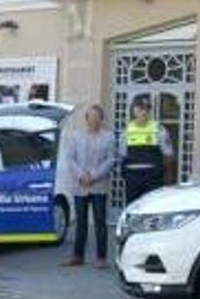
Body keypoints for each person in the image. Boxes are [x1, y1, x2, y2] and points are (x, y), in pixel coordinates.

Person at [62, 105, 115, 269]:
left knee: (100, 223)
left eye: (97, 117)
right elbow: (70, 159)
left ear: (101, 119)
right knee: (81, 223)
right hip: (80, 186)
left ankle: (101, 258)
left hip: (98, 185)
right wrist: (81, 175)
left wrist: (93, 176)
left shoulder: (109, 137)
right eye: (90, 117)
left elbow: (111, 160)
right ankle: (77, 256)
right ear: (86, 119)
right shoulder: (76, 136)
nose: (93, 120)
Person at [119, 96, 174, 204]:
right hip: (133, 177)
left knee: (152, 208)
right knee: (133, 209)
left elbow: (168, 156)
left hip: (153, 178)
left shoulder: (159, 129)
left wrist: (166, 177)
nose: (144, 112)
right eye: (140, 108)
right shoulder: (126, 130)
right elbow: (122, 156)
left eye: (147, 109)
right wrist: (127, 175)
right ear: (134, 110)